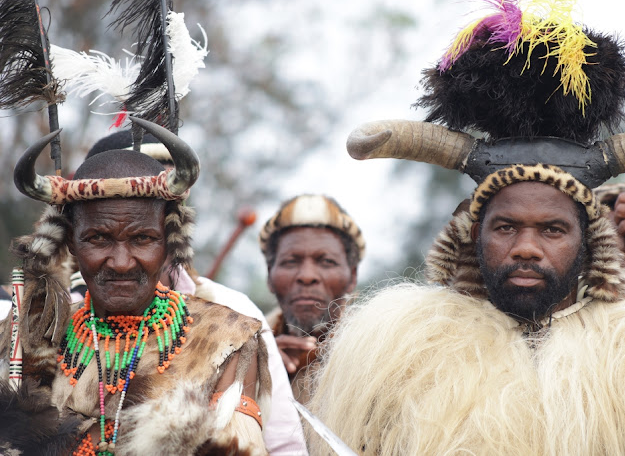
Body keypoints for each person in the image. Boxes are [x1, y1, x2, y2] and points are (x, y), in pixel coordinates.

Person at [308, 0, 625, 455]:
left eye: (553, 230)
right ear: (472, 233)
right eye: (506, 227)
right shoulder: (395, 351)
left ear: (589, 240)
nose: (525, 248)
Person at [0, 119, 269, 455]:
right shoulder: (22, 336)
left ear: (170, 241)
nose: (121, 262)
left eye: (143, 238)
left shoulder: (226, 340)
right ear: (71, 241)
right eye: (98, 238)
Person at [79, 129, 309, 455]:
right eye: (103, 233)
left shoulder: (235, 318)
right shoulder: (46, 323)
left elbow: (285, 447)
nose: (121, 259)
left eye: (144, 229)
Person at [258, 194, 364, 404]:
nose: (307, 276)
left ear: (352, 277)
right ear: (270, 276)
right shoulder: (245, 354)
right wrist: (256, 373)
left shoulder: (382, 361)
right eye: (290, 261)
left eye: (326, 261)